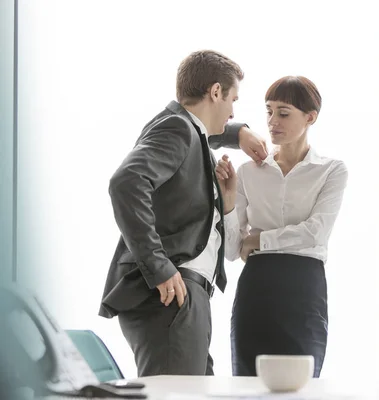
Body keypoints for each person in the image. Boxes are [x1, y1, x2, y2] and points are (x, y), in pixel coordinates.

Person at [97, 49, 268, 377]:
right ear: (215, 92)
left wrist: (239, 132)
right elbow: (127, 182)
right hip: (172, 291)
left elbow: (206, 135)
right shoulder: (177, 127)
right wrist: (159, 266)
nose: (233, 110)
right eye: (233, 99)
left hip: (186, 294)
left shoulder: (186, 130)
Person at [215, 76, 348, 377]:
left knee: (302, 386)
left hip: (304, 289)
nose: (273, 121)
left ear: (310, 117)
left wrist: (260, 240)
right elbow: (234, 249)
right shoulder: (247, 172)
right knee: (249, 387)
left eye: (284, 113)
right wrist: (226, 203)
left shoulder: (331, 171)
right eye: (269, 111)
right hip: (256, 291)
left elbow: (316, 231)